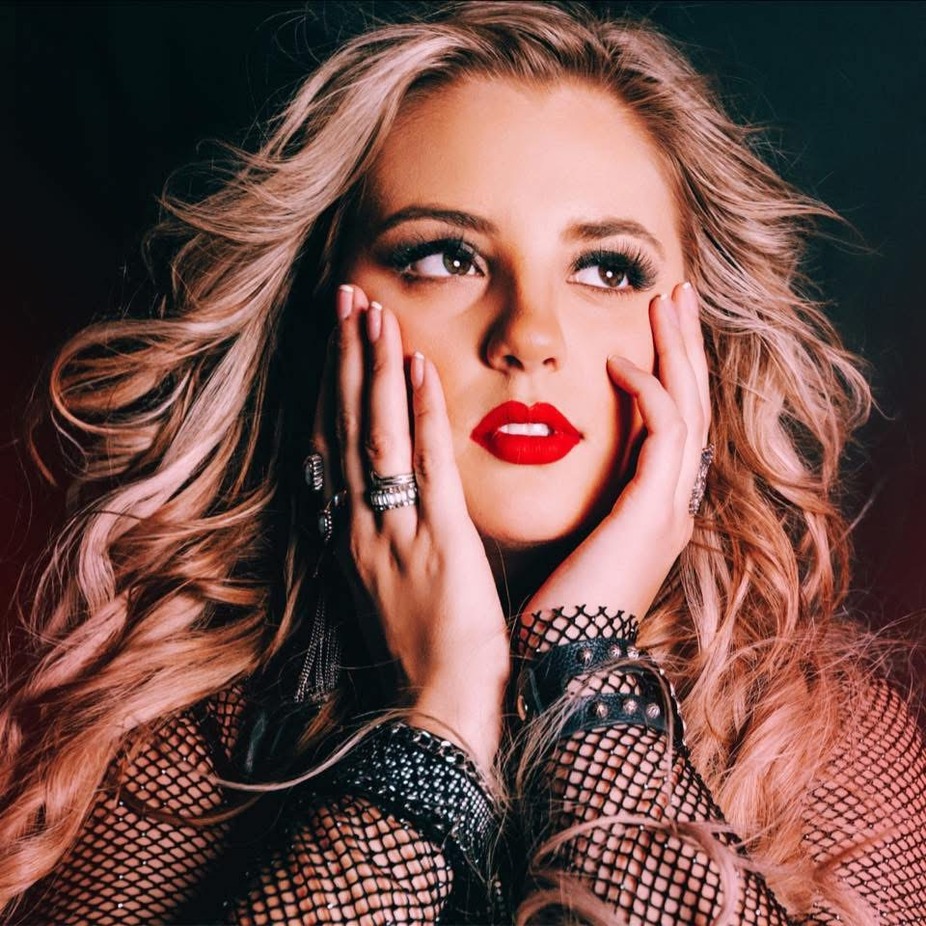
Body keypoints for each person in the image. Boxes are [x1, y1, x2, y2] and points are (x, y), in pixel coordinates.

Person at [1, 2, 924, 923]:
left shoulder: (820, 739)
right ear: (321, 322)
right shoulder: (167, 738)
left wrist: (584, 664)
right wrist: (437, 713)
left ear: (701, 338)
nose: (529, 335)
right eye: (447, 257)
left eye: (607, 269)